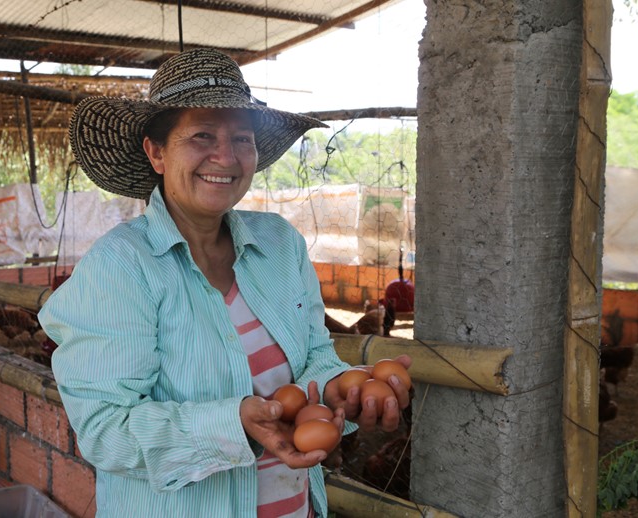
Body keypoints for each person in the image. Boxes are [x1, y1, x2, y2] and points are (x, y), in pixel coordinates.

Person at [39, 48, 412, 517]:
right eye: (201, 135)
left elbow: (315, 358)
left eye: (241, 137)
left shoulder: (279, 245)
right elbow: (103, 428)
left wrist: (338, 388)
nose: (226, 156)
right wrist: (232, 424)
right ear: (156, 151)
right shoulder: (120, 267)